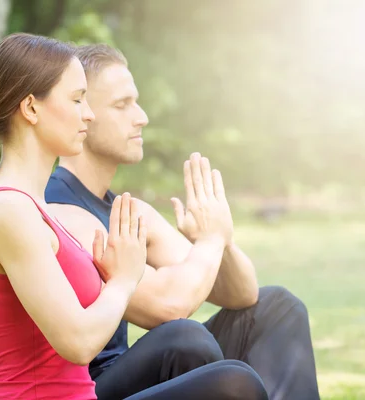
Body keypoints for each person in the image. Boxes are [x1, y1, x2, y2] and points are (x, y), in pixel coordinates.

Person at [0, 33, 268, 400]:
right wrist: (123, 280)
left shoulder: (33, 209)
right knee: (235, 386)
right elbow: (78, 342)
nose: (89, 113)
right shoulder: (6, 211)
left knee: (230, 374)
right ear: (31, 109)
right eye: (77, 99)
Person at [45, 43, 321, 400]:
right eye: (122, 105)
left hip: (129, 376)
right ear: (83, 114)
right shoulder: (61, 211)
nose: (141, 116)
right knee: (186, 340)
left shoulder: (128, 211)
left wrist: (222, 238)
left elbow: (241, 293)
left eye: (136, 101)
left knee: (275, 308)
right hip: (87, 389)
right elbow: (168, 306)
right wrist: (208, 243)